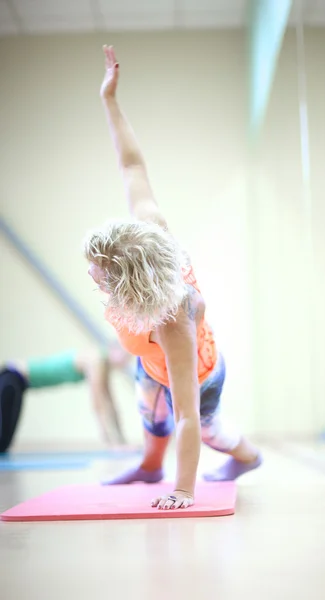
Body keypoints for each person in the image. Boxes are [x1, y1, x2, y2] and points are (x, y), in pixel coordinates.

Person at [84, 45, 262, 511]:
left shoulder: (171, 323)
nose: (90, 274)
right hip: (153, 363)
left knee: (207, 427)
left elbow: (185, 415)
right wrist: (110, 100)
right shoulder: (148, 227)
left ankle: (248, 455)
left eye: (100, 275)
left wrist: (185, 490)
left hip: (197, 374)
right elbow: (132, 165)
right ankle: (148, 465)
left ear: (131, 286)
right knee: (150, 415)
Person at [0, 343, 129, 452]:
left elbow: (109, 402)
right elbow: (99, 404)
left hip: (18, 381)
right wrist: (112, 444)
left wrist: (121, 442)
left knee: (4, 443)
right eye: (125, 355)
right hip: (12, 376)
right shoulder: (96, 359)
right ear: (114, 350)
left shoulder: (102, 363)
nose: (127, 361)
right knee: (2, 442)